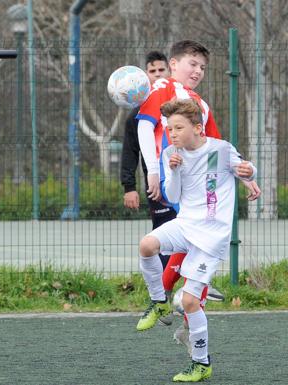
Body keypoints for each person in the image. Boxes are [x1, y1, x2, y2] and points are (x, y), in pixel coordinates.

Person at [134, 40, 261, 332]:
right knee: (186, 237)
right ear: (173, 64)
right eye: (192, 64)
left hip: (199, 181)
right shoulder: (164, 87)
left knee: (192, 237)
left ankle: (186, 300)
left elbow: (219, 150)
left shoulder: (200, 104)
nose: (198, 70)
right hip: (174, 175)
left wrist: (247, 176)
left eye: (203, 67)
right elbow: (144, 126)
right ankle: (175, 298)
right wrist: (153, 171)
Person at [139, 99, 257, 382]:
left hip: (211, 236)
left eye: (178, 127)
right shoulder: (171, 153)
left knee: (191, 302)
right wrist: (175, 169)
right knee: (147, 245)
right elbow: (175, 197)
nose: (173, 133)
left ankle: (201, 363)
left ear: (198, 127)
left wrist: (250, 172)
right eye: (169, 128)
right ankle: (159, 301)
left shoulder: (220, 149)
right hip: (185, 224)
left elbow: (247, 169)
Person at [120, 51, 173, 268]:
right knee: (162, 232)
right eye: (153, 71)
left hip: (188, 182)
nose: (158, 74)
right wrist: (129, 186)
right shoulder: (137, 115)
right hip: (157, 185)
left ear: (169, 72)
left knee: (190, 233)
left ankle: (193, 284)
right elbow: (130, 152)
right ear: (146, 75)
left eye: (162, 70)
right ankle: (163, 287)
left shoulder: (182, 104)